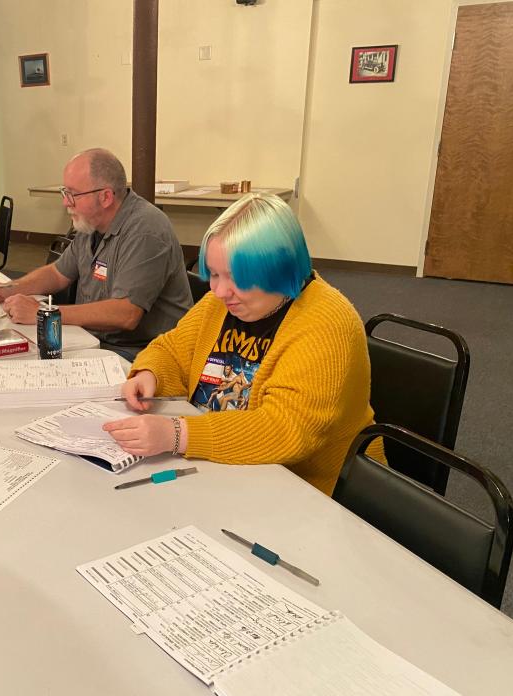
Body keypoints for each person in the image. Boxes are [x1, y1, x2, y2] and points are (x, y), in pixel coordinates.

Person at [103, 193, 381, 496]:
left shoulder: (326, 323)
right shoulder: (221, 304)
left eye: (237, 278)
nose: (220, 291)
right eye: (215, 274)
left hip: (310, 490)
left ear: (279, 269)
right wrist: (150, 374)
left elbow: (287, 429)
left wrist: (179, 434)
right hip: (226, 470)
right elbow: (172, 349)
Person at [0, 148, 192, 360]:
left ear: (106, 197)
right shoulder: (91, 225)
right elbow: (57, 273)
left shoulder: (146, 231)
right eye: (65, 193)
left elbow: (126, 314)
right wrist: (9, 289)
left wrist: (43, 314)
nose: (65, 202)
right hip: (98, 340)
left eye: (72, 194)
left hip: (145, 353)